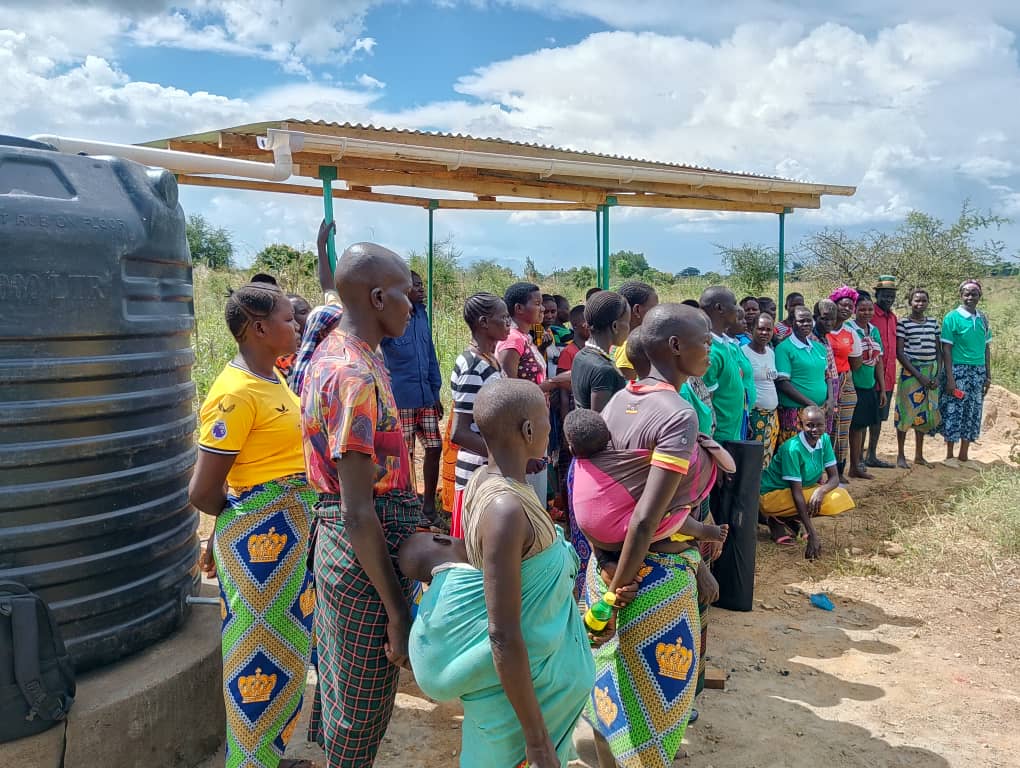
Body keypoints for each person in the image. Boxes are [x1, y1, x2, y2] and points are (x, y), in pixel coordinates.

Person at [407, 379, 597, 768]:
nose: (550, 428)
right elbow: (504, 634)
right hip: (517, 709)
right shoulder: (506, 510)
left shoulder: (488, 482)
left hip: (531, 691)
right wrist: (538, 740)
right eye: (546, 421)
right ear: (528, 431)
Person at [579, 303, 721, 768]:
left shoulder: (622, 398)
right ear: (675, 347)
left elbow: (608, 492)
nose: (711, 346)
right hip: (648, 580)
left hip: (603, 570)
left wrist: (605, 589)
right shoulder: (678, 415)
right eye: (704, 338)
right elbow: (644, 517)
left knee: (609, 694)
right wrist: (619, 597)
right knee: (653, 713)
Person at [189, 279, 317, 768]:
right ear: (261, 329)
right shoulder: (235, 394)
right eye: (288, 319)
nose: (296, 326)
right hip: (258, 550)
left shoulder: (271, 377)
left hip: (284, 542)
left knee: (283, 655)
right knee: (255, 659)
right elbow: (202, 491)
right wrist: (256, 521)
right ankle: (249, 761)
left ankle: (269, 753)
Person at [300, 241, 418, 767]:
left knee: (345, 681)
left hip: (352, 541)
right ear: (376, 298)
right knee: (361, 703)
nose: (411, 306)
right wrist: (397, 611)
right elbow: (356, 509)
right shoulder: (354, 376)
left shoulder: (345, 353)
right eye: (405, 295)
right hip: (361, 548)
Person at [565, 407, 732, 544]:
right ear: (610, 436)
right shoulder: (628, 458)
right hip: (625, 534)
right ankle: (702, 530)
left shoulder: (578, 470)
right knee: (661, 510)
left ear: (572, 450)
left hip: (596, 537)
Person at [381, 270, 444, 523]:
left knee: (434, 447)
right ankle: (406, 508)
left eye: (421, 285)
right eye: (416, 286)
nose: (421, 290)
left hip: (425, 396)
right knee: (403, 456)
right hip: (401, 399)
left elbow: (429, 354)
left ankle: (428, 505)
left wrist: (436, 392)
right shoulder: (390, 319)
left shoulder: (422, 316)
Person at [498, 282, 567, 505]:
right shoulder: (513, 340)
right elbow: (509, 391)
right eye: (537, 304)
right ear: (518, 308)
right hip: (522, 427)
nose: (543, 310)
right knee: (526, 491)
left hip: (535, 422)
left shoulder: (526, 338)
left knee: (535, 487)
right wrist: (554, 383)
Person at [449, 292, 510, 538]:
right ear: (484, 323)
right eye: (503, 317)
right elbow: (460, 432)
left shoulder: (489, 361)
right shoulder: (473, 367)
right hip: (476, 475)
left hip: (488, 470)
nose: (509, 323)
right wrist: (506, 457)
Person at [759, 406, 856, 558]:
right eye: (809, 425)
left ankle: (785, 518)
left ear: (825, 425)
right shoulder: (792, 449)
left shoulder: (824, 440)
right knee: (825, 499)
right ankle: (778, 516)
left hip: (800, 492)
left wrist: (821, 490)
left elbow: (835, 478)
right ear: (800, 425)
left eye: (819, 425)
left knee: (838, 497)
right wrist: (813, 534)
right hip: (770, 496)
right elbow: (796, 492)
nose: (814, 429)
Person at [938, 280, 993, 467]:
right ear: (961, 295)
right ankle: (950, 456)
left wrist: (988, 375)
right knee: (955, 410)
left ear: (980, 296)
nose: (970, 297)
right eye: (966, 294)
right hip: (958, 369)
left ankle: (964, 455)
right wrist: (950, 377)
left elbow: (986, 348)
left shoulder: (983, 319)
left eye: (974, 294)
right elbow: (946, 349)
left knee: (973, 411)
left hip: (978, 371)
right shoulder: (952, 317)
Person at [895, 288, 941, 467]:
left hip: (930, 371)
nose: (920, 304)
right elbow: (900, 352)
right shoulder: (903, 323)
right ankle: (900, 455)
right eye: (917, 301)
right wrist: (918, 375)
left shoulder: (933, 323)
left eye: (924, 300)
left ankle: (919, 455)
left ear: (928, 303)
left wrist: (937, 374)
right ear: (910, 302)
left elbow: (938, 350)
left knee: (924, 412)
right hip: (911, 372)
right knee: (905, 412)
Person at [775, 305, 834, 445]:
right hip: (796, 412)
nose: (806, 324)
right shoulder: (784, 348)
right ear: (793, 322)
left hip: (820, 409)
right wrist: (811, 404)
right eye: (801, 321)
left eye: (809, 320)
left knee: (816, 450)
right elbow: (783, 383)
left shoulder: (819, 348)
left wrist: (831, 400)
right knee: (795, 451)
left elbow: (827, 376)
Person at [700, 286, 747, 442]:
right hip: (719, 438)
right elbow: (706, 401)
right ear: (720, 308)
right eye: (734, 304)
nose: (738, 309)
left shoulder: (726, 344)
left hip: (733, 432)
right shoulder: (711, 351)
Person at [570, 291, 631, 411]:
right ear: (615, 326)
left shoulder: (581, 355)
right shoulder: (603, 369)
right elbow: (600, 422)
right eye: (627, 323)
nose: (629, 328)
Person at [847, 291, 885, 479]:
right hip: (852, 384)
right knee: (852, 426)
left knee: (861, 426)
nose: (866, 312)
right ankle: (851, 465)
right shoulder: (849, 328)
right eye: (862, 309)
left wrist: (882, 388)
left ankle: (857, 464)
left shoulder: (874, 330)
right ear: (855, 310)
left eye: (870, 309)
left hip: (868, 384)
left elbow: (879, 361)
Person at [828, 286, 864, 482]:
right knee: (826, 427)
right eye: (843, 305)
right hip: (824, 383)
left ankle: (839, 471)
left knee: (842, 429)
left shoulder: (850, 333)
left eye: (850, 306)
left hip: (845, 382)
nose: (847, 309)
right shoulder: (820, 328)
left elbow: (856, 362)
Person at [868, 275, 899, 468]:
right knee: (864, 419)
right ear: (877, 295)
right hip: (869, 377)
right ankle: (858, 457)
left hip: (887, 377)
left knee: (879, 418)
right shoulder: (870, 315)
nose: (888, 299)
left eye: (891, 296)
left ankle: (872, 454)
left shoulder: (894, 317)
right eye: (885, 295)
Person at [742, 313, 780, 468]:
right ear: (752, 329)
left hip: (772, 416)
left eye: (768, 330)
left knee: (767, 458)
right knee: (754, 460)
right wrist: (747, 417)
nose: (765, 333)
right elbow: (743, 387)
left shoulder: (770, 352)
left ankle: (762, 491)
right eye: (760, 329)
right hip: (755, 415)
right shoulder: (744, 352)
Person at [612, 281, 659, 380]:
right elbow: (630, 389)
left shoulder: (620, 340)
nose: (657, 314)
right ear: (637, 310)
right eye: (654, 308)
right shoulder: (628, 349)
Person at [556, 305, 588, 374]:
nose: (592, 326)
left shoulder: (594, 349)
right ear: (575, 325)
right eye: (587, 323)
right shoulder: (568, 352)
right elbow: (561, 381)